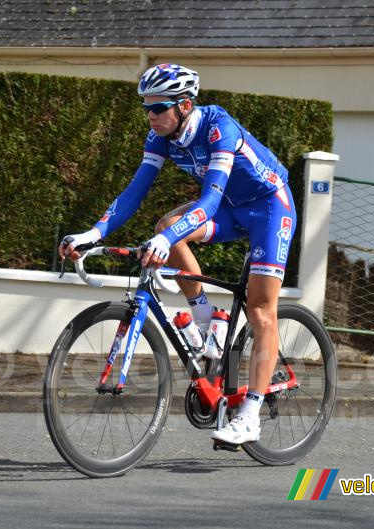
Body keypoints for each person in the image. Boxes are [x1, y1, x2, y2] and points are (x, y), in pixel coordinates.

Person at [59, 64, 297, 445]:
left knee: (259, 310)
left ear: (184, 105)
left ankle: (250, 415)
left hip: (269, 208)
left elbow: (209, 199)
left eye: (158, 108)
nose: (150, 116)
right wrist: (93, 232)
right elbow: (134, 192)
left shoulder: (220, 128)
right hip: (230, 208)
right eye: (145, 108)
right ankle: (208, 319)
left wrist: (169, 239)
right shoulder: (162, 138)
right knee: (164, 227)